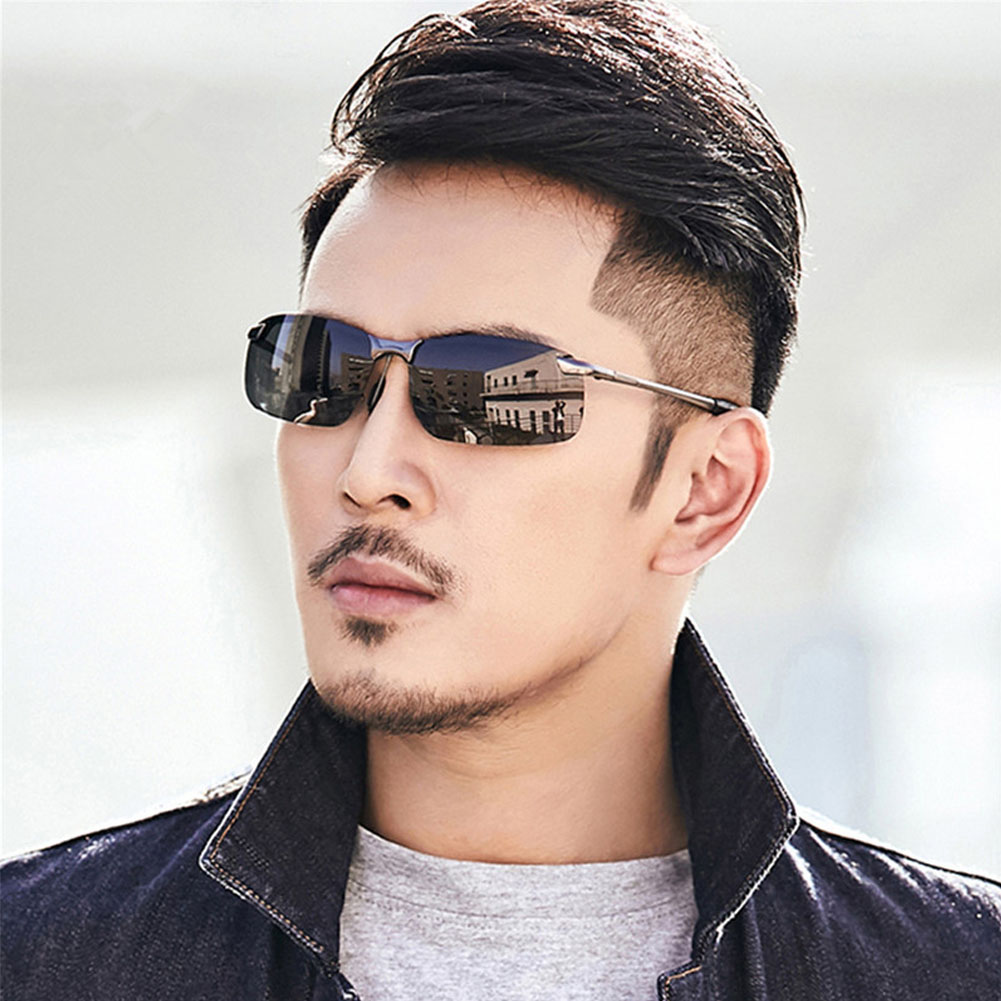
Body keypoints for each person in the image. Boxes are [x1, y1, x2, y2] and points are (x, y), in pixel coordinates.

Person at [2, 2, 998, 999]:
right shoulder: (43, 958)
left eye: (486, 390)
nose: (367, 470)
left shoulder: (952, 972)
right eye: (322, 369)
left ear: (704, 489)